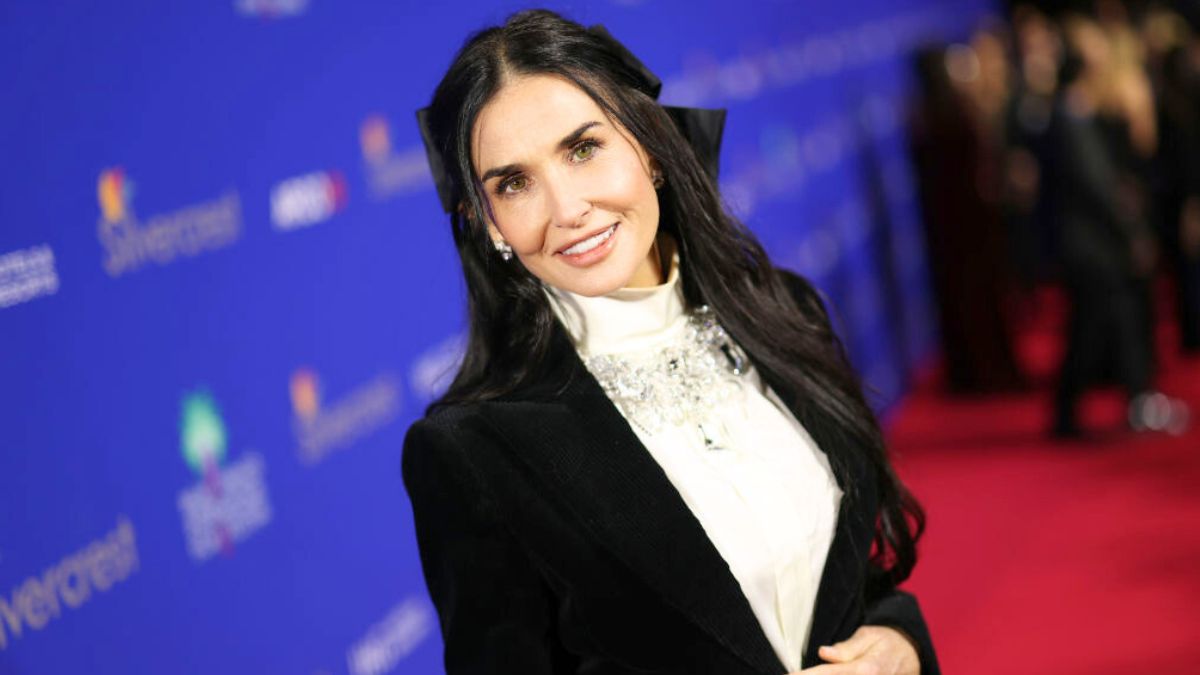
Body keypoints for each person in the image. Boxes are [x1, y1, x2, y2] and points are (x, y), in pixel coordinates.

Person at [403, 10, 938, 674]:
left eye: (583, 148)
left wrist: (899, 642)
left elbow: (859, 582)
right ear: (490, 226)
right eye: (514, 183)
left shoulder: (784, 310)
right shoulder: (470, 451)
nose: (566, 208)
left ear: (648, 148)